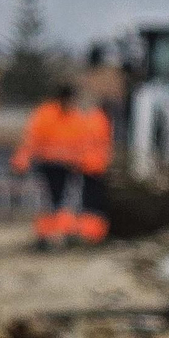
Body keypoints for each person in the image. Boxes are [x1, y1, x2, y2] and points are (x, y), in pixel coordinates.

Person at [11, 82, 80, 251]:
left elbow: (80, 141)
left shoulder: (68, 115)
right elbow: (32, 138)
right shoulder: (48, 114)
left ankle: (60, 235)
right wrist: (23, 159)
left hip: (66, 165)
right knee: (49, 201)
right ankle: (46, 236)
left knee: (61, 201)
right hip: (47, 164)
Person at [72, 95, 113, 245]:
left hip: (87, 167)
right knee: (95, 203)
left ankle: (90, 233)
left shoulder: (90, 120)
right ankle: (95, 234)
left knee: (89, 202)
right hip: (97, 167)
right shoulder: (102, 120)